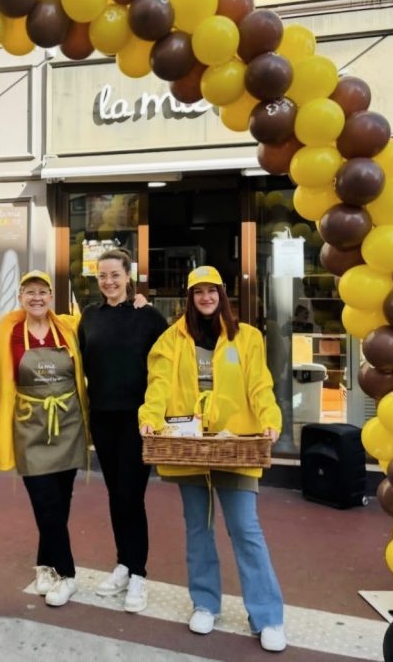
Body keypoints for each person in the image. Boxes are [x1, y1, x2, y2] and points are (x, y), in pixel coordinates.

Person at [139, 266, 287, 653]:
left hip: (235, 445)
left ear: (223, 295)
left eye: (212, 291)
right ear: (189, 298)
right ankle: (205, 603)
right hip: (189, 448)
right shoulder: (171, 340)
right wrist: (150, 419)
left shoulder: (247, 338)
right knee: (198, 529)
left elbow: (260, 385)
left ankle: (267, 616)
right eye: (198, 292)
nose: (206, 298)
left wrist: (270, 420)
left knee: (246, 531)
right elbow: (158, 385)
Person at [78, 249, 167, 613]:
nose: (109, 282)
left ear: (128, 277)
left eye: (115, 275)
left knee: (132, 495)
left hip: (136, 419)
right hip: (102, 416)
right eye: (102, 276)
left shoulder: (147, 316)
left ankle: (139, 575)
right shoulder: (88, 317)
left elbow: (171, 357)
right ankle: (123, 564)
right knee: (116, 495)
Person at [0, 270, 89, 608]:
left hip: (67, 423)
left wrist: (136, 304)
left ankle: (46, 567)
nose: (37, 298)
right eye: (29, 292)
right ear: (20, 297)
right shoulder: (8, 331)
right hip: (30, 425)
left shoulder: (70, 327)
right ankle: (68, 574)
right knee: (44, 501)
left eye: (43, 292)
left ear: (51, 297)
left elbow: (101, 338)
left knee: (61, 502)